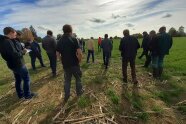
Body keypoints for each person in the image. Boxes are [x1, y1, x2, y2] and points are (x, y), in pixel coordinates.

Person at [0, 27, 36, 99]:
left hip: (12, 64)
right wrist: (23, 52)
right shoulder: (8, 42)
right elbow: (14, 55)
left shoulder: (5, 41)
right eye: (15, 32)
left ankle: (20, 94)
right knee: (26, 79)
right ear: (11, 33)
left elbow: (14, 52)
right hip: (18, 64)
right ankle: (27, 95)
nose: (16, 34)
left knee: (18, 79)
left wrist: (21, 49)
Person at [56, 24, 83, 103]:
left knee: (67, 80)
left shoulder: (60, 40)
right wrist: (79, 60)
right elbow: (80, 53)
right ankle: (79, 92)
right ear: (71, 30)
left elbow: (57, 53)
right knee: (78, 78)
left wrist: (61, 60)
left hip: (66, 64)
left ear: (63, 31)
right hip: (75, 63)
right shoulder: (74, 39)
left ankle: (67, 96)